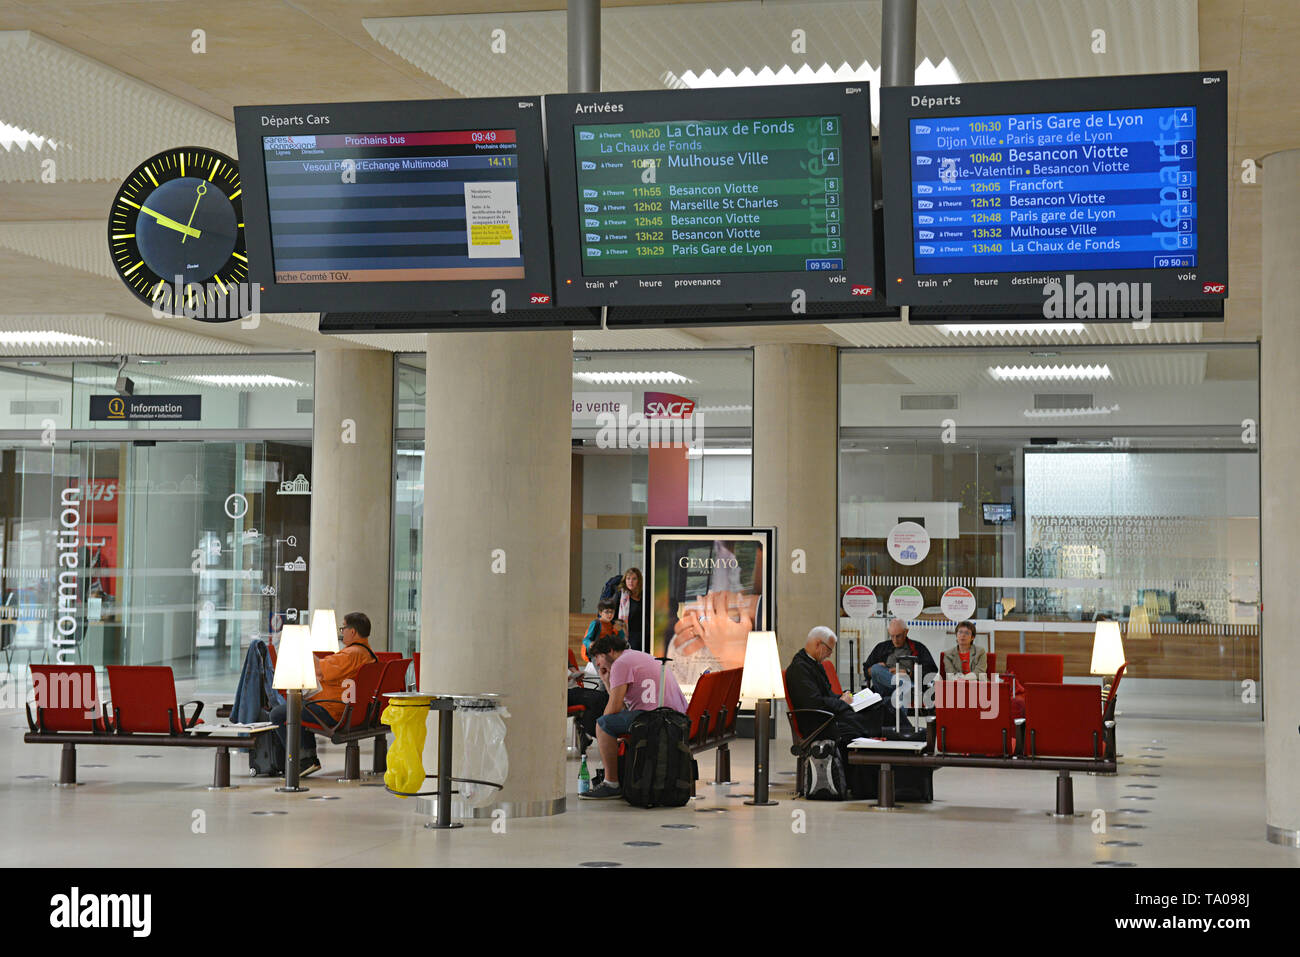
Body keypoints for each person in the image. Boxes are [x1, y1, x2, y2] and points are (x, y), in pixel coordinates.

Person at [267, 611, 377, 778]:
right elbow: (326, 669)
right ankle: (306, 758)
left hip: (332, 710)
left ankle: (304, 760)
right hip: (348, 711)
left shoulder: (351, 654)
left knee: (279, 713)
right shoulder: (367, 654)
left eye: (343, 629)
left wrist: (301, 647)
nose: (342, 632)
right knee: (299, 707)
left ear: (352, 631)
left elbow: (319, 669)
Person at [580, 633, 688, 800]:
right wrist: (606, 680)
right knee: (610, 722)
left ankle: (611, 783)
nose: (598, 663)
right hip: (675, 718)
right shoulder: (635, 656)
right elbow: (621, 706)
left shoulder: (620, 664)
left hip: (656, 719)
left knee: (602, 724)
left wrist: (604, 732)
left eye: (598, 657)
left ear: (609, 651)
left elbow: (614, 708)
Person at [786, 626, 886, 747]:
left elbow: (827, 694)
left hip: (829, 715)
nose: (829, 655)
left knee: (879, 706)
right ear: (818, 644)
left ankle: (904, 739)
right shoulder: (799, 669)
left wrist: (842, 696)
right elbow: (814, 703)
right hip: (819, 722)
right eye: (829, 650)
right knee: (870, 720)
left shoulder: (813, 663)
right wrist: (841, 701)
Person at [864, 618, 938, 717]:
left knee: (899, 695)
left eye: (898, 636)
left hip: (904, 690)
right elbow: (866, 670)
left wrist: (908, 673)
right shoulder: (881, 647)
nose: (895, 640)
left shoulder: (918, 648)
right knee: (875, 669)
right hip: (884, 688)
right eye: (892, 636)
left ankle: (901, 728)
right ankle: (907, 686)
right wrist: (877, 671)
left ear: (906, 632)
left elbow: (931, 670)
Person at [567, 654, 608, 754]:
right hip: (564, 692)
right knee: (598, 699)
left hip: (574, 688)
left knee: (604, 697)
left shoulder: (561, 652)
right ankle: (590, 730)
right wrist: (570, 677)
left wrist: (576, 673)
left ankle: (587, 729)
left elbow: (570, 667)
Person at [616, 567, 644, 652]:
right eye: (628, 578)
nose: (630, 581)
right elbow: (613, 616)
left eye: (634, 579)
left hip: (643, 636)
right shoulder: (621, 595)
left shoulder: (644, 595)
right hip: (627, 635)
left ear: (639, 580)